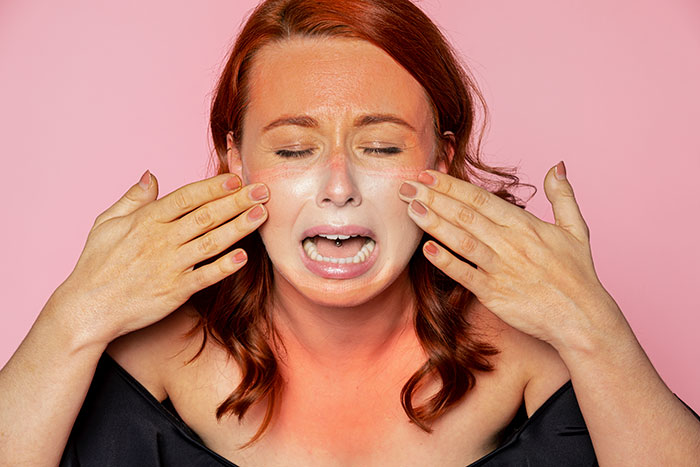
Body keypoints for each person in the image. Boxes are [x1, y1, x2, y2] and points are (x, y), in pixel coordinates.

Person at [1, 0, 699, 465]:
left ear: (442, 160)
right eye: (296, 149)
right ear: (234, 161)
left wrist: (592, 327)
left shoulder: (531, 353)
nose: (338, 185)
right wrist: (74, 315)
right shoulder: (150, 352)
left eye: (383, 147)